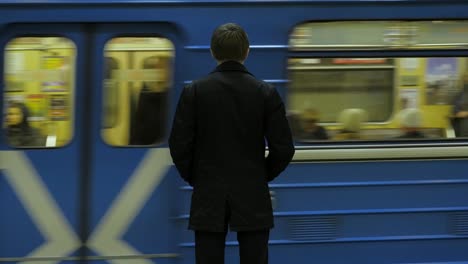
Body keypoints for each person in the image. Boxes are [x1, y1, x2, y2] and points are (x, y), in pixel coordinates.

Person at [169, 23, 295, 264]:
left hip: (208, 194)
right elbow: (284, 149)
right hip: (252, 194)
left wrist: (197, 177)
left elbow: (179, 145)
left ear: (212, 52)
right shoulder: (265, 93)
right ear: (246, 52)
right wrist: (260, 175)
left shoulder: (194, 92)